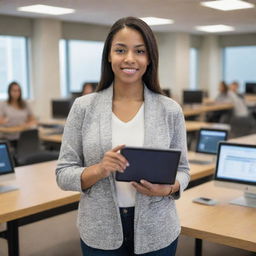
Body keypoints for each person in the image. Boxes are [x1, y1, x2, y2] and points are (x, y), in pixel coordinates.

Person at [56, 17, 190, 256]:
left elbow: (183, 170)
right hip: (100, 230)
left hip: (157, 229)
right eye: (120, 50)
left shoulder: (170, 109)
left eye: (139, 51)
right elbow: (63, 173)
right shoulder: (84, 107)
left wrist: (169, 189)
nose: (129, 58)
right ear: (109, 55)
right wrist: (99, 169)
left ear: (149, 59)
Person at [0, 81, 37, 147]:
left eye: (18, 91)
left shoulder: (24, 104)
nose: (16, 93)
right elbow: (1, 121)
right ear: (9, 92)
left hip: (22, 136)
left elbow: (33, 120)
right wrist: (5, 121)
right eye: (14, 91)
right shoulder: (3, 104)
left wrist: (26, 125)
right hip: (8, 137)